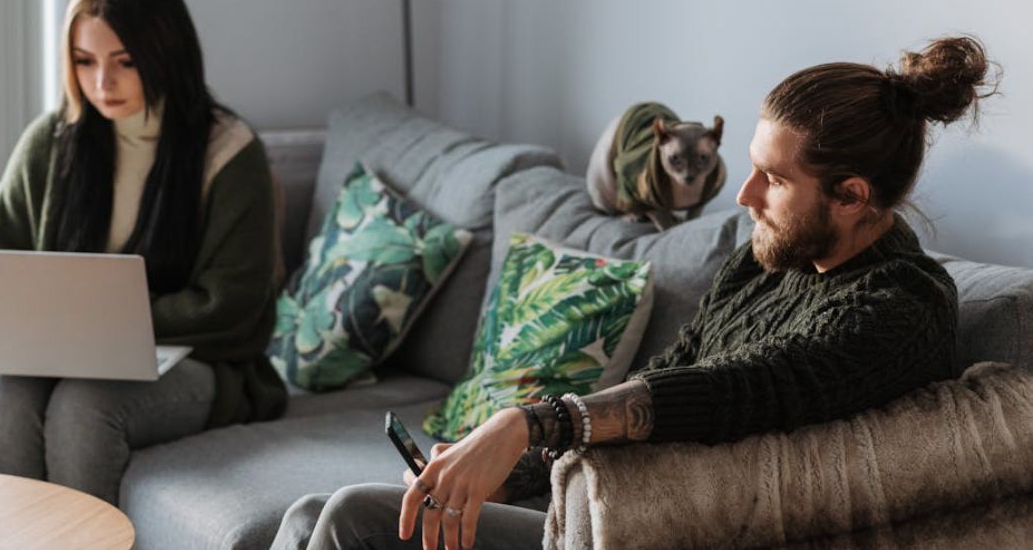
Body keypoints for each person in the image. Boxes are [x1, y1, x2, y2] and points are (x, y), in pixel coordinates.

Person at [270, 36, 998, 550]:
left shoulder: (900, 306)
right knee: (313, 512)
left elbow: (733, 390)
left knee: (353, 518)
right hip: (598, 504)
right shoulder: (770, 260)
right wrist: (491, 467)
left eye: (772, 179)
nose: (741, 194)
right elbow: (662, 373)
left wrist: (525, 423)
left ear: (850, 195)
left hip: (662, 528)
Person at [0, 0, 286, 505]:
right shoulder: (51, 142)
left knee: (82, 409)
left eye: (125, 62)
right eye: (84, 61)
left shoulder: (229, 153)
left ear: (166, 54)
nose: (102, 83)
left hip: (193, 360)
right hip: (52, 352)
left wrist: (114, 321)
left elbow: (233, 304)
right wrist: (50, 327)